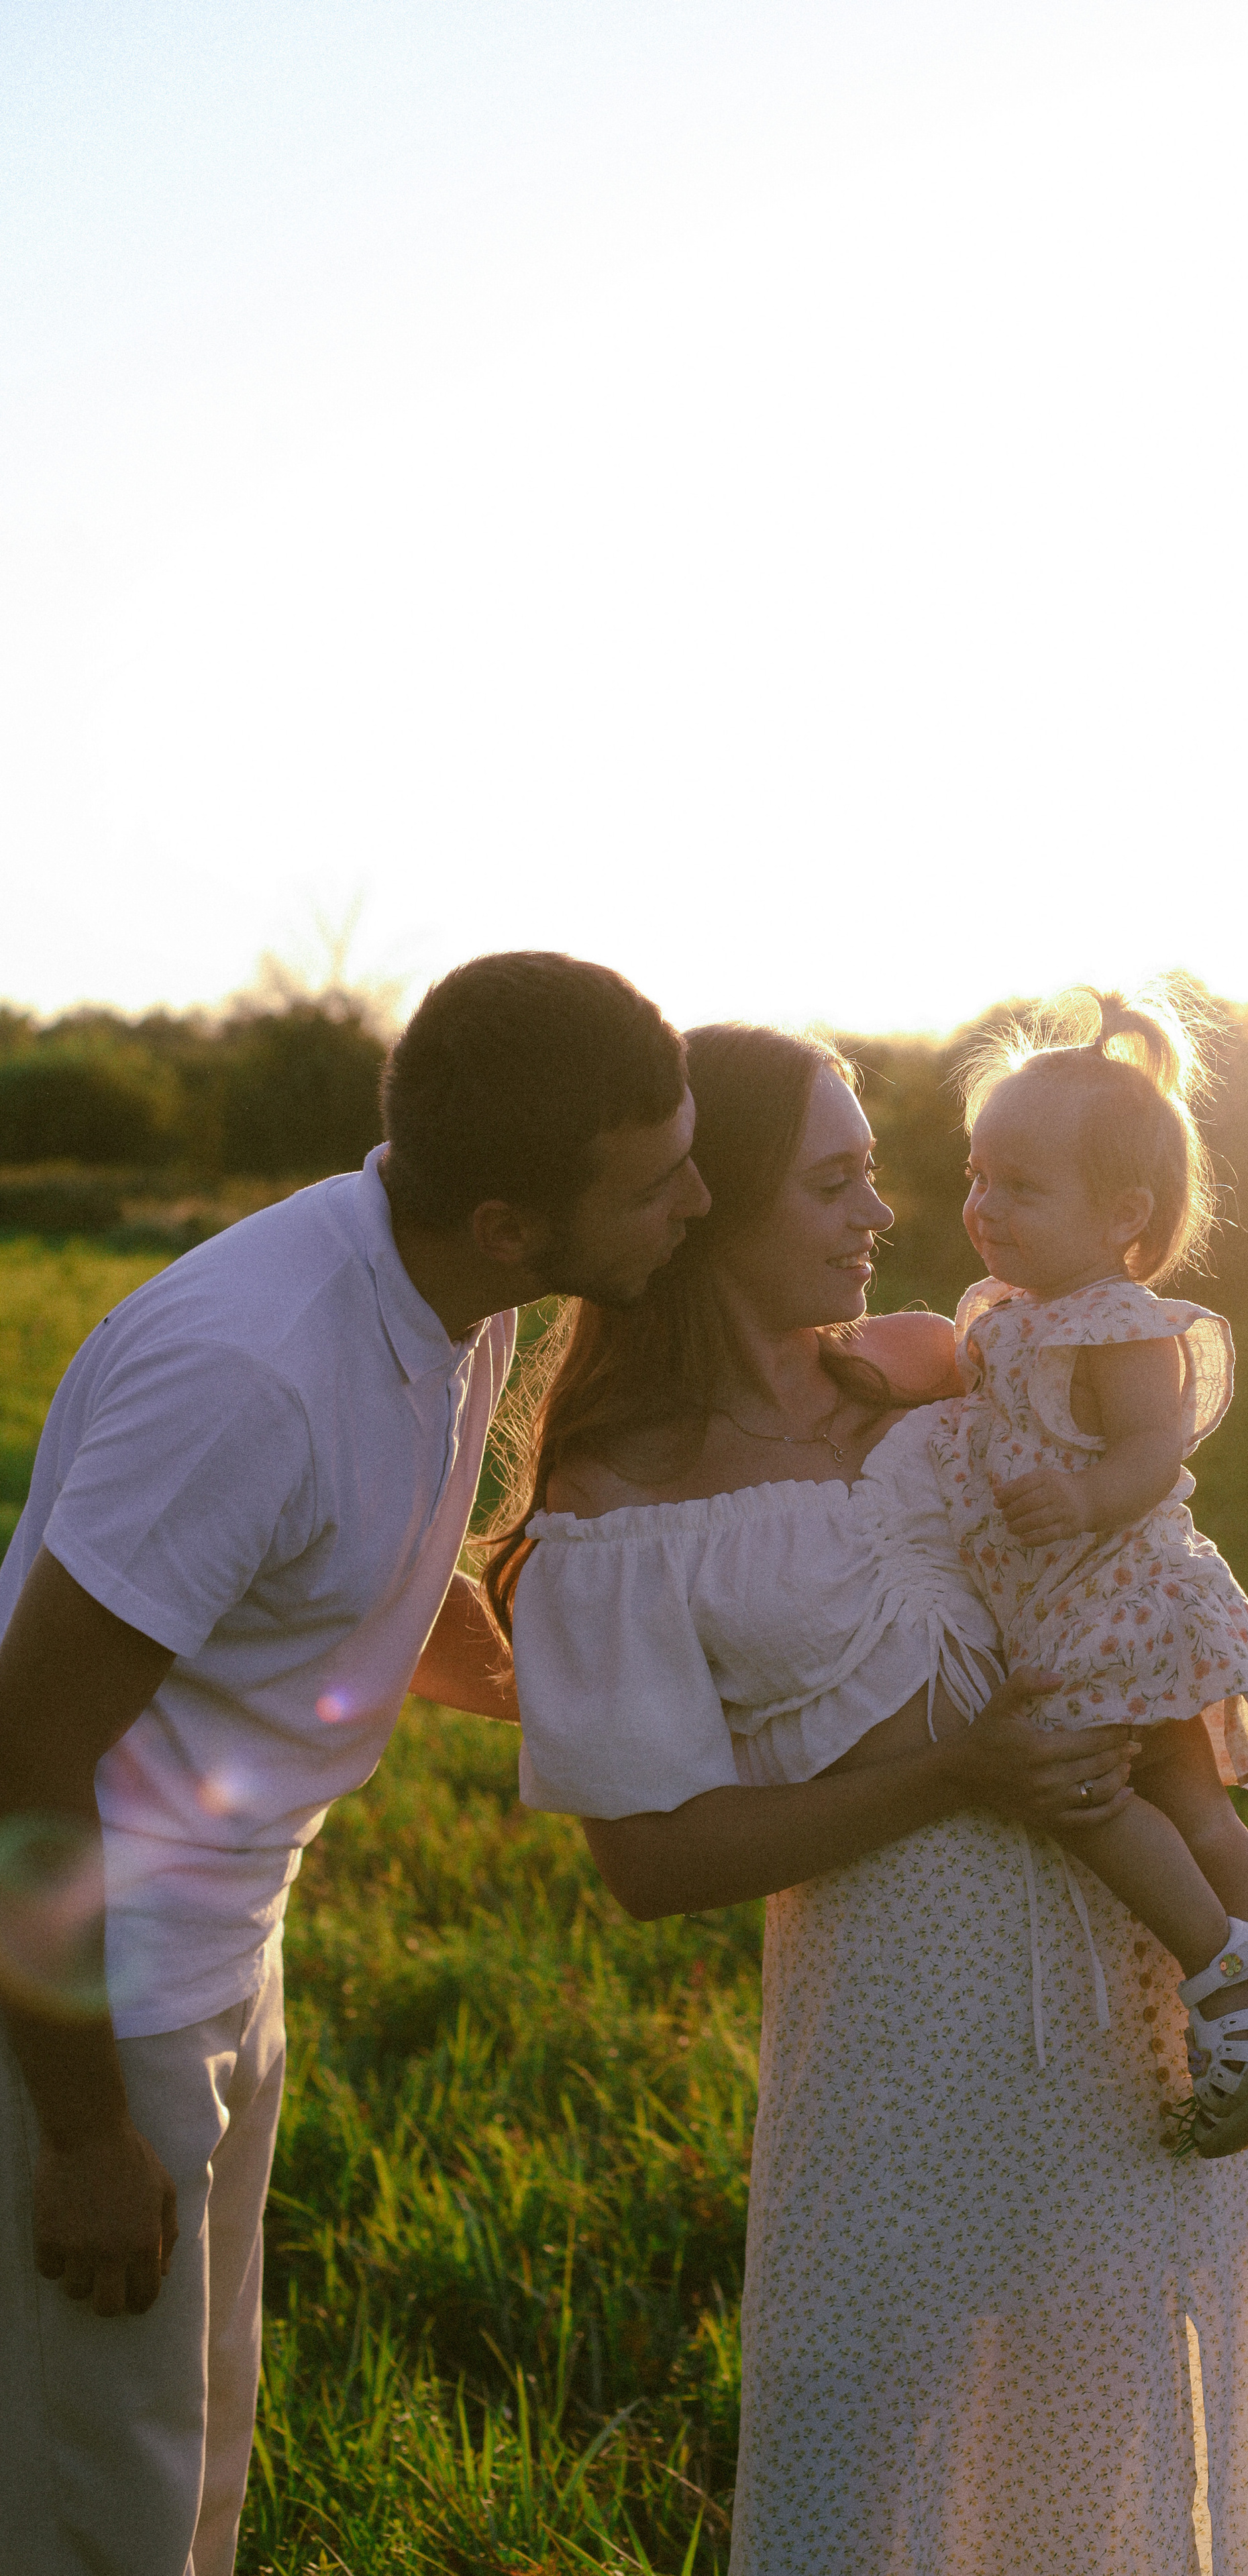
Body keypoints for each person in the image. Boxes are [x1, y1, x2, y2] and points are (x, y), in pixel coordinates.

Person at [488, 1020, 1248, 2574]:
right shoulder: (619, 1505)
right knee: (871, 2433)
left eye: (876, 1175)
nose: (880, 1216)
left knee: (1110, 2405)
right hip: (896, 2011)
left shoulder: (934, 1365)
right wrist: (956, 1772)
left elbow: (1112, 1531)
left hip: (1118, 1974)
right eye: (832, 1184)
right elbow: (648, 1864)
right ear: (710, 1209)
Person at [0, 953, 709, 2576]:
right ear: (513, 1226)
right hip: (93, 1998)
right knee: (93, 2506)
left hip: (224, 1954)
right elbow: (21, 1746)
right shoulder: (252, 1371)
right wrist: (88, 2135)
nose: (701, 1196)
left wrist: (635, 1706)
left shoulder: (454, 1291)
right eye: (662, 1178)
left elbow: (378, 1589)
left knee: (197, 2466)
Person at [929, 984, 1248, 2156]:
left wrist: (1084, 1495)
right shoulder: (1011, 1310)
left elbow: (1154, 1452)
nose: (983, 1207)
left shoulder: (1116, 1322)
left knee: (1093, 1792)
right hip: (1085, 1599)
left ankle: (1228, 1987)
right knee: (1182, 1791)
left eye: (1019, 1188)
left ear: (1124, 1214)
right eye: (977, 1178)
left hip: (1121, 1595)